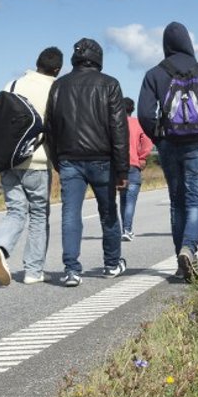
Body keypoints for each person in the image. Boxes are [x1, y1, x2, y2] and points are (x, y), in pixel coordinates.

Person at [138, 21, 198, 282]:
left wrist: (159, 138)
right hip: (197, 144)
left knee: (177, 202)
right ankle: (190, 249)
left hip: (169, 145)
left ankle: (180, 260)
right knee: (196, 199)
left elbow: (143, 113)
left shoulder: (155, 73)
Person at [45, 38, 128, 287]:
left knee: (71, 215)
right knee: (108, 213)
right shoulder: (109, 84)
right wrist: (122, 169)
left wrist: (57, 160)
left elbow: (50, 128)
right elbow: (119, 129)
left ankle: (71, 270)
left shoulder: (59, 86)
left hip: (69, 160)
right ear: (98, 58)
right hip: (102, 160)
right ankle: (112, 264)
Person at [0, 47, 63, 286]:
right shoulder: (55, 89)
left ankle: (1, 246)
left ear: (37, 63)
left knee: (15, 211)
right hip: (37, 160)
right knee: (39, 214)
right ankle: (33, 271)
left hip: (8, 159)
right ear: (57, 69)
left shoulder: (11, 85)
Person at [120, 97, 153, 241]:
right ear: (132, 109)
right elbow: (147, 141)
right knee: (130, 200)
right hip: (133, 165)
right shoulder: (137, 123)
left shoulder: (113, 123)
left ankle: (124, 229)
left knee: (122, 199)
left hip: (118, 166)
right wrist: (142, 157)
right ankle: (127, 229)